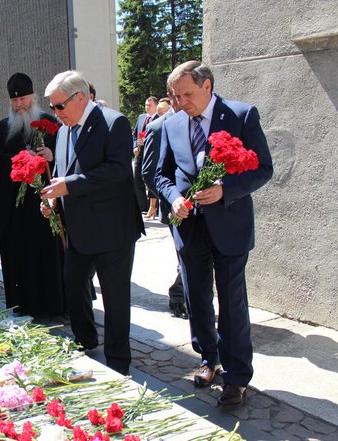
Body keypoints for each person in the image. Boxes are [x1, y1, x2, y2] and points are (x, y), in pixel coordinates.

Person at [155, 61, 273, 406]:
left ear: (207, 85)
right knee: (197, 298)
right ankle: (208, 358)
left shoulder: (241, 115)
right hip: (190, 227)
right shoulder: (171, 123)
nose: (180, 101)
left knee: (232, 303)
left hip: (230, 226)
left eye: (187, 94)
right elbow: (161, 174)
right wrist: (173, 197)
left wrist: (226, 188)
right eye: (175, 95)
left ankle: (237, 377)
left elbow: (263, 167)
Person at [40, 70, 144, 375]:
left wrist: (68, 185)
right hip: (79, 232)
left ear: (81, 98)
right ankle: (85, 342)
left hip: (113, 230)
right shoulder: (62, 132)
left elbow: (117, 170)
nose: (56, 113)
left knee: (115, 299)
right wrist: (52, 201)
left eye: (59, 106)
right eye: (52, 108)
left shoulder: (113, 122)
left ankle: (118, 364)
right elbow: (62, 170)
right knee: (72, 285)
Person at [0, 73, 65, 317]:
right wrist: (18, 160)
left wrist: (51, 156)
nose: (19, 104)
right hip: (15, 209)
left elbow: (66, 159)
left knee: (47, 257)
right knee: (20, 258)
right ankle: (23, 304)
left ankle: (53, 306)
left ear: (32, 96)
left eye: (23, 98)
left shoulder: (50, 123)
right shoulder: (3, 128)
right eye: (15, 100)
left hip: (44, 205)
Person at [141, 88, 188, 319]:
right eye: (181, 95)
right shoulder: (158, 127)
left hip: (202, 204)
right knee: (187, 254)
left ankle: (184, 295)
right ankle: (180, 295)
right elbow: (148, 172)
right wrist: (172, 198)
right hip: (175, 207)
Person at [133, 97, 158, 213]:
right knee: (137, 177)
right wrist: (135, 146)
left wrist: (146, 141)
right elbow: (134, 134)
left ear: (156, 106)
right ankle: (142, 205)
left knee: (149, 176)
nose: (147, 107)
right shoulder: (141, 118)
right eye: (146, 105)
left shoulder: (159, 119)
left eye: (150, 105)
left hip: (152, 153)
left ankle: (152, 206)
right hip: (140, 152)